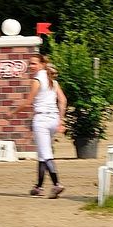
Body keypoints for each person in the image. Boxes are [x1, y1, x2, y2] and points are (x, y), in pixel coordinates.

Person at [15, 55, 68, 198]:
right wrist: (61, 120)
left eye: (34, 63)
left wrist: (13, 112)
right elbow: (63, 100)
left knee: (45, 154)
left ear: (42, 64)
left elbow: (28, 102)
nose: (31, 66)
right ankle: (38, 187)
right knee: (42, 153)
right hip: (53, 118)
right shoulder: (53, 81)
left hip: (42, 119)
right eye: (30, 64)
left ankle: (57, 184)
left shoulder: (37, 80)